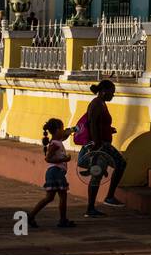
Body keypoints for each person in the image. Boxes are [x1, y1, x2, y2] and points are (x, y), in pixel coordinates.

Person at [78, 80, 126, 216]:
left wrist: (108, 129)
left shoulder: (101, 103)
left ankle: (92, 207)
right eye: (112, 92)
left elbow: (99, 123)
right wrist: (96, 143)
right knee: (120, 164)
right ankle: (106, 198)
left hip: (102, 143)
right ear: (104, 91)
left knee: (97, 173)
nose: (113, 95)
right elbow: (92, 123)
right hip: (100, 145)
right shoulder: (96, 104)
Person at [28, 118, 77, 230]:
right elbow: (48, 159)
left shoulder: (56, 141)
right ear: (57, 130)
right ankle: (63, 220)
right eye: (62, 128)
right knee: (62, 196)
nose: (63, 130)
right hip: (56, 172)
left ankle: (31, 216)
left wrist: (72, 130)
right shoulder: (55, 144)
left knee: (49, 198)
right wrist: (64, 160)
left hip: (53, 172)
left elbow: (64, 136)